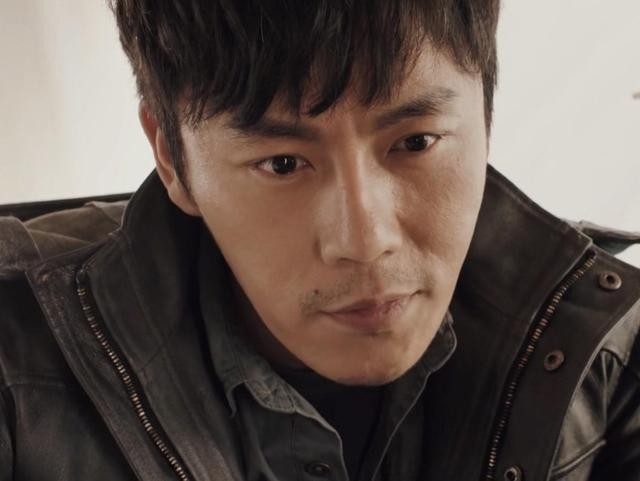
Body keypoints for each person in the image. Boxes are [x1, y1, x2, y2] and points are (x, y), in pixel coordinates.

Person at [1, 1, 640, 480]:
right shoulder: (12, 357)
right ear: (171, 157)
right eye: (282, 164)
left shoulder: (607, 348)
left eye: (416, 142)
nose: (365, 240)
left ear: (486, 118)